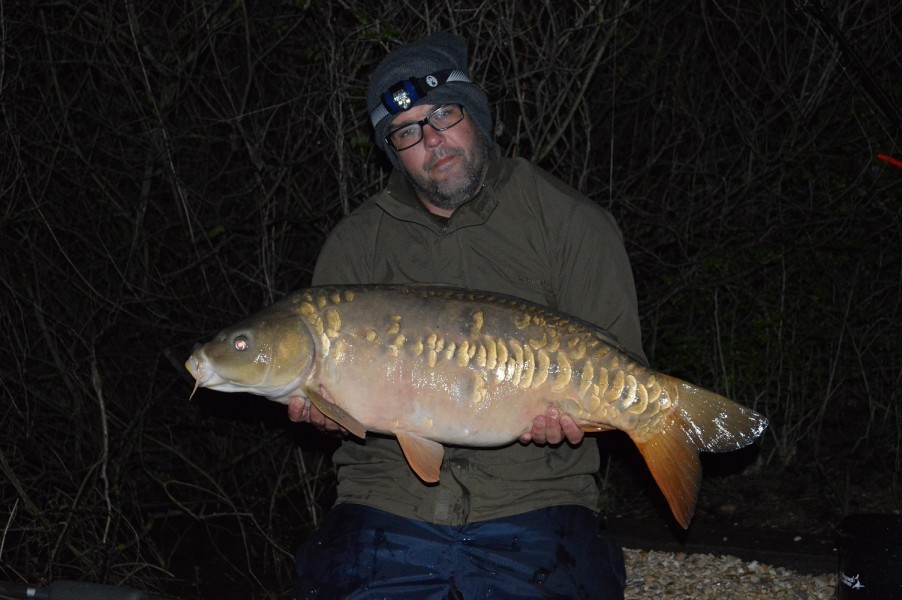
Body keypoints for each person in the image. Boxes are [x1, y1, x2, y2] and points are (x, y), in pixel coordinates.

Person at [288, 32, 647, 599]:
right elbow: (341, 408)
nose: (433, 140)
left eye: (445, 115)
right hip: (388, 503)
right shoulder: (355, 245)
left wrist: (586, 414)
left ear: (474, 113)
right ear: (392, 150)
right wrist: (331, 410)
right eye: (407, 132)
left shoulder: (571, 224)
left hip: (535, 502)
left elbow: (624, 366)